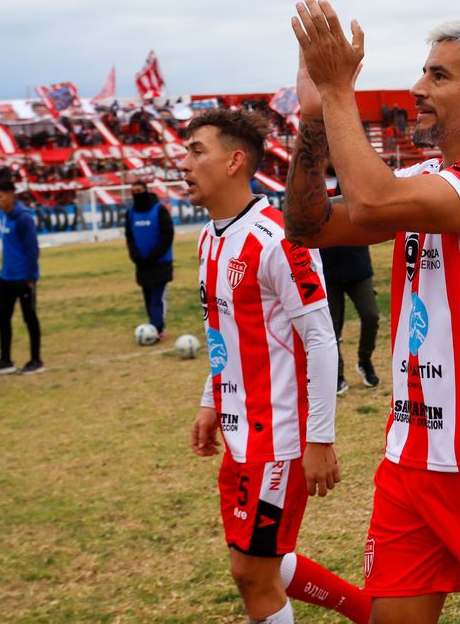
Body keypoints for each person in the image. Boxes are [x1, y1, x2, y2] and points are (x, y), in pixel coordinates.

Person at [286, 0, 460, 623]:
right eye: (423, 71)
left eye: (438, 75)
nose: (417, 88)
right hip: (411, 454)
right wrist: (313, 120)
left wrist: (337, 92)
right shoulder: (431, 175)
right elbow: (310, 226)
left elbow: (371, 201)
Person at [182, 108, 369, 624]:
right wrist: (210, 402)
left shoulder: (278, 238)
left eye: (197, 152)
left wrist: (321, 439)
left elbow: (321, 338)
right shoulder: (210, 238)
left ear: (234, 162)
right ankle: (368, 613)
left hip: (279, 438)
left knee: (252, 573)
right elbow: (224, 334)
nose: (185, 164)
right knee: (258, 563)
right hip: (239, 432)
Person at [319, 174, 380, 395]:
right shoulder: (311, 183)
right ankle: (337, 374)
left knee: (371, 316)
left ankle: (365, 361)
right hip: (327, 269)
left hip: (357, 266)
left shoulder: (350, 179)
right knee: (331, 328)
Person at [0, 180, 43, 375]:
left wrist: (30, 278)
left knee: (29, 317)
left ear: (11, 195)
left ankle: (36, 360)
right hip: (6, 278)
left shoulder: (24, 218)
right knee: (3, 318)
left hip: (23, 278)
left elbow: (32, 250)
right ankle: (5, 360)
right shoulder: (4, 216)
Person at [125, 176, 174, 339]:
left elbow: (167, 235)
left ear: (146, 191)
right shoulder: (130, 213)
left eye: (139, 191)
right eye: (133, 192)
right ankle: (154, 325)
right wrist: (135, 256)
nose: (136, 195)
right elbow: (129, 237)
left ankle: (157, 328)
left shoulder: (159, 210)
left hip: (161, 263)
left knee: (157, 297)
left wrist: (153, 255)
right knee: (147, 296)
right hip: (142, 264)